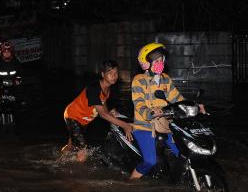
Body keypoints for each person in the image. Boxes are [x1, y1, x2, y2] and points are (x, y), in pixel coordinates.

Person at [129, 43, 206, 180]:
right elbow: (138, 103)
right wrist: (150, 113)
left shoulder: (165, 79)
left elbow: (177, 98)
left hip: (165, 124)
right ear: (147, 63)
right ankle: (131, 181)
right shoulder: (139, 80)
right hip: (145, 127)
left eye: (162, 60)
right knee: (149, 161)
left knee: (184, 153)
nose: (160, 63)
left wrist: (194, 105)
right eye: (156, 61)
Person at [62, 60, 133, 162]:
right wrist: (125, 125)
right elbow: (102, 114)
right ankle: (79, 175)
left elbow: (103, 103)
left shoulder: (107, 88)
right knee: (83, 150)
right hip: (73, 116)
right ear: (103, 74)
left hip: (84, 120)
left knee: (72, 145)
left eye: (116, 73)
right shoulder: (94, 88)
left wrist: (110, 112)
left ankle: (60, 162)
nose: (114, 76)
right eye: (110, 73)